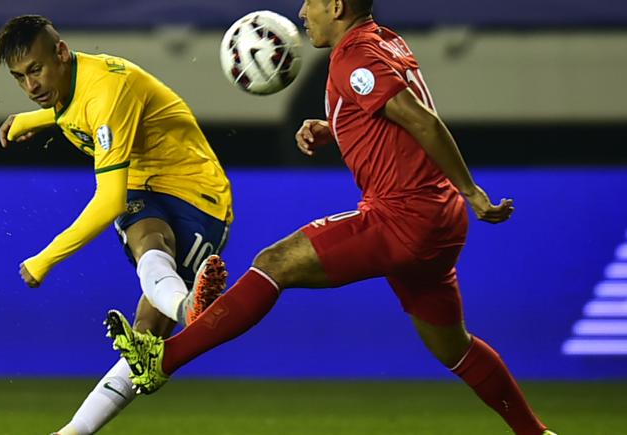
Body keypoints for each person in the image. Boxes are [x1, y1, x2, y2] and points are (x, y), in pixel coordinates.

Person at [105, 2, 557, 434]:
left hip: (402, 215)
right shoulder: (385, 40)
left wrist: (472, 190)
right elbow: (390, 120)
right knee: (454, 348)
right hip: (439, 221)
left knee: (273, 263)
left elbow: (420, 120)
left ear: (337, 6)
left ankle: (162, 361)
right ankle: (535, 432)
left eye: (311, 2)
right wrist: (335, 125)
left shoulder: (354, 56)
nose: (303, 13)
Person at [0, 15, 232, 435]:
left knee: (147, 335)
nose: (31, 86)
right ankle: (72, 431)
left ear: (62, 53)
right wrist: (27, 120)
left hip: (200, 195)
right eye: (19, 77)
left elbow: (108, 202)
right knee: (144, 312)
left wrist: (45, 260)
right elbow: (71, 111)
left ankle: (184, 307)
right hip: (147, 187)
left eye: (36, 70)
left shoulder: (106, 91)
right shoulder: (72, 87)